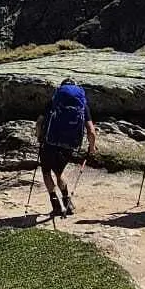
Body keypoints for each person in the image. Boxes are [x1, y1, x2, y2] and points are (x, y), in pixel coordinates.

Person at [37, 79, 98, 219]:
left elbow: (40, 121)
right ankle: (67, 202)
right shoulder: (82, 105)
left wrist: (39, 136)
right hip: (69, 144)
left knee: (46, 172)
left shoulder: (54, 101)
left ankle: (55, 204)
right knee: (59, 172)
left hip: (50, 142)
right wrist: (92, 146)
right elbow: (91, 130)